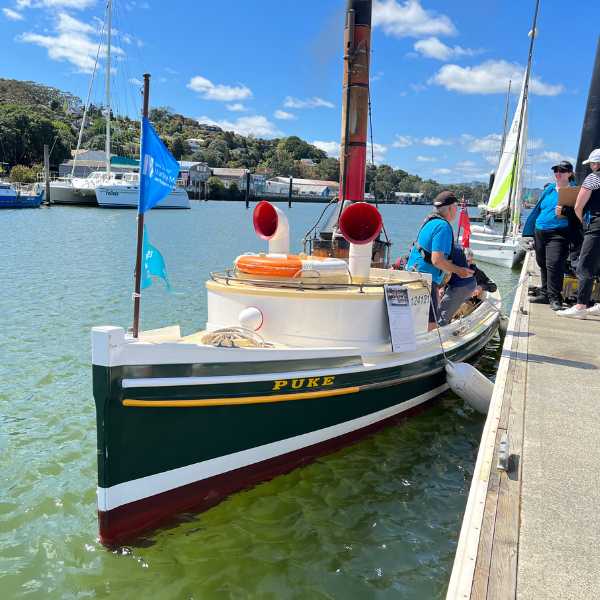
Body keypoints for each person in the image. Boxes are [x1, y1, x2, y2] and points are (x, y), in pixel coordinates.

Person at [406, 191, 474, 326]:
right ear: (449, 208)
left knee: (419, 321)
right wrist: (459, 271)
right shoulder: (443, 226)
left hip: (413, 274)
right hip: (424, 279)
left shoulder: (430, 221)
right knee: (430, 325)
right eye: (456, 206)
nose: (457, 209)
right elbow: (437, 260)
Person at [522, 160, 576, 311]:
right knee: (542, 262)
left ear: (570, 174)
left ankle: (555, 297)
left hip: (559, 233)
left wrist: (565, 211)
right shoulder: (549, 189)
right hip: (540, 230)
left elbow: (580, 213)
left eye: (562, 171)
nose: (558, 173)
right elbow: (538, 209)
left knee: (554, 264)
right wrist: (529, 232)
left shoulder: (573, 191)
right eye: (556, 171)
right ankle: (545, 293)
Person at [557, 149, 600, 319]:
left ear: (596, 164)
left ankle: (581, 305)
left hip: (596, 225)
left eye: (591, 163)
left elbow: (578, 206)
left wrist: (585, 223)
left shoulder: (593, 178)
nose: (590, 166)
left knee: (585, 266)